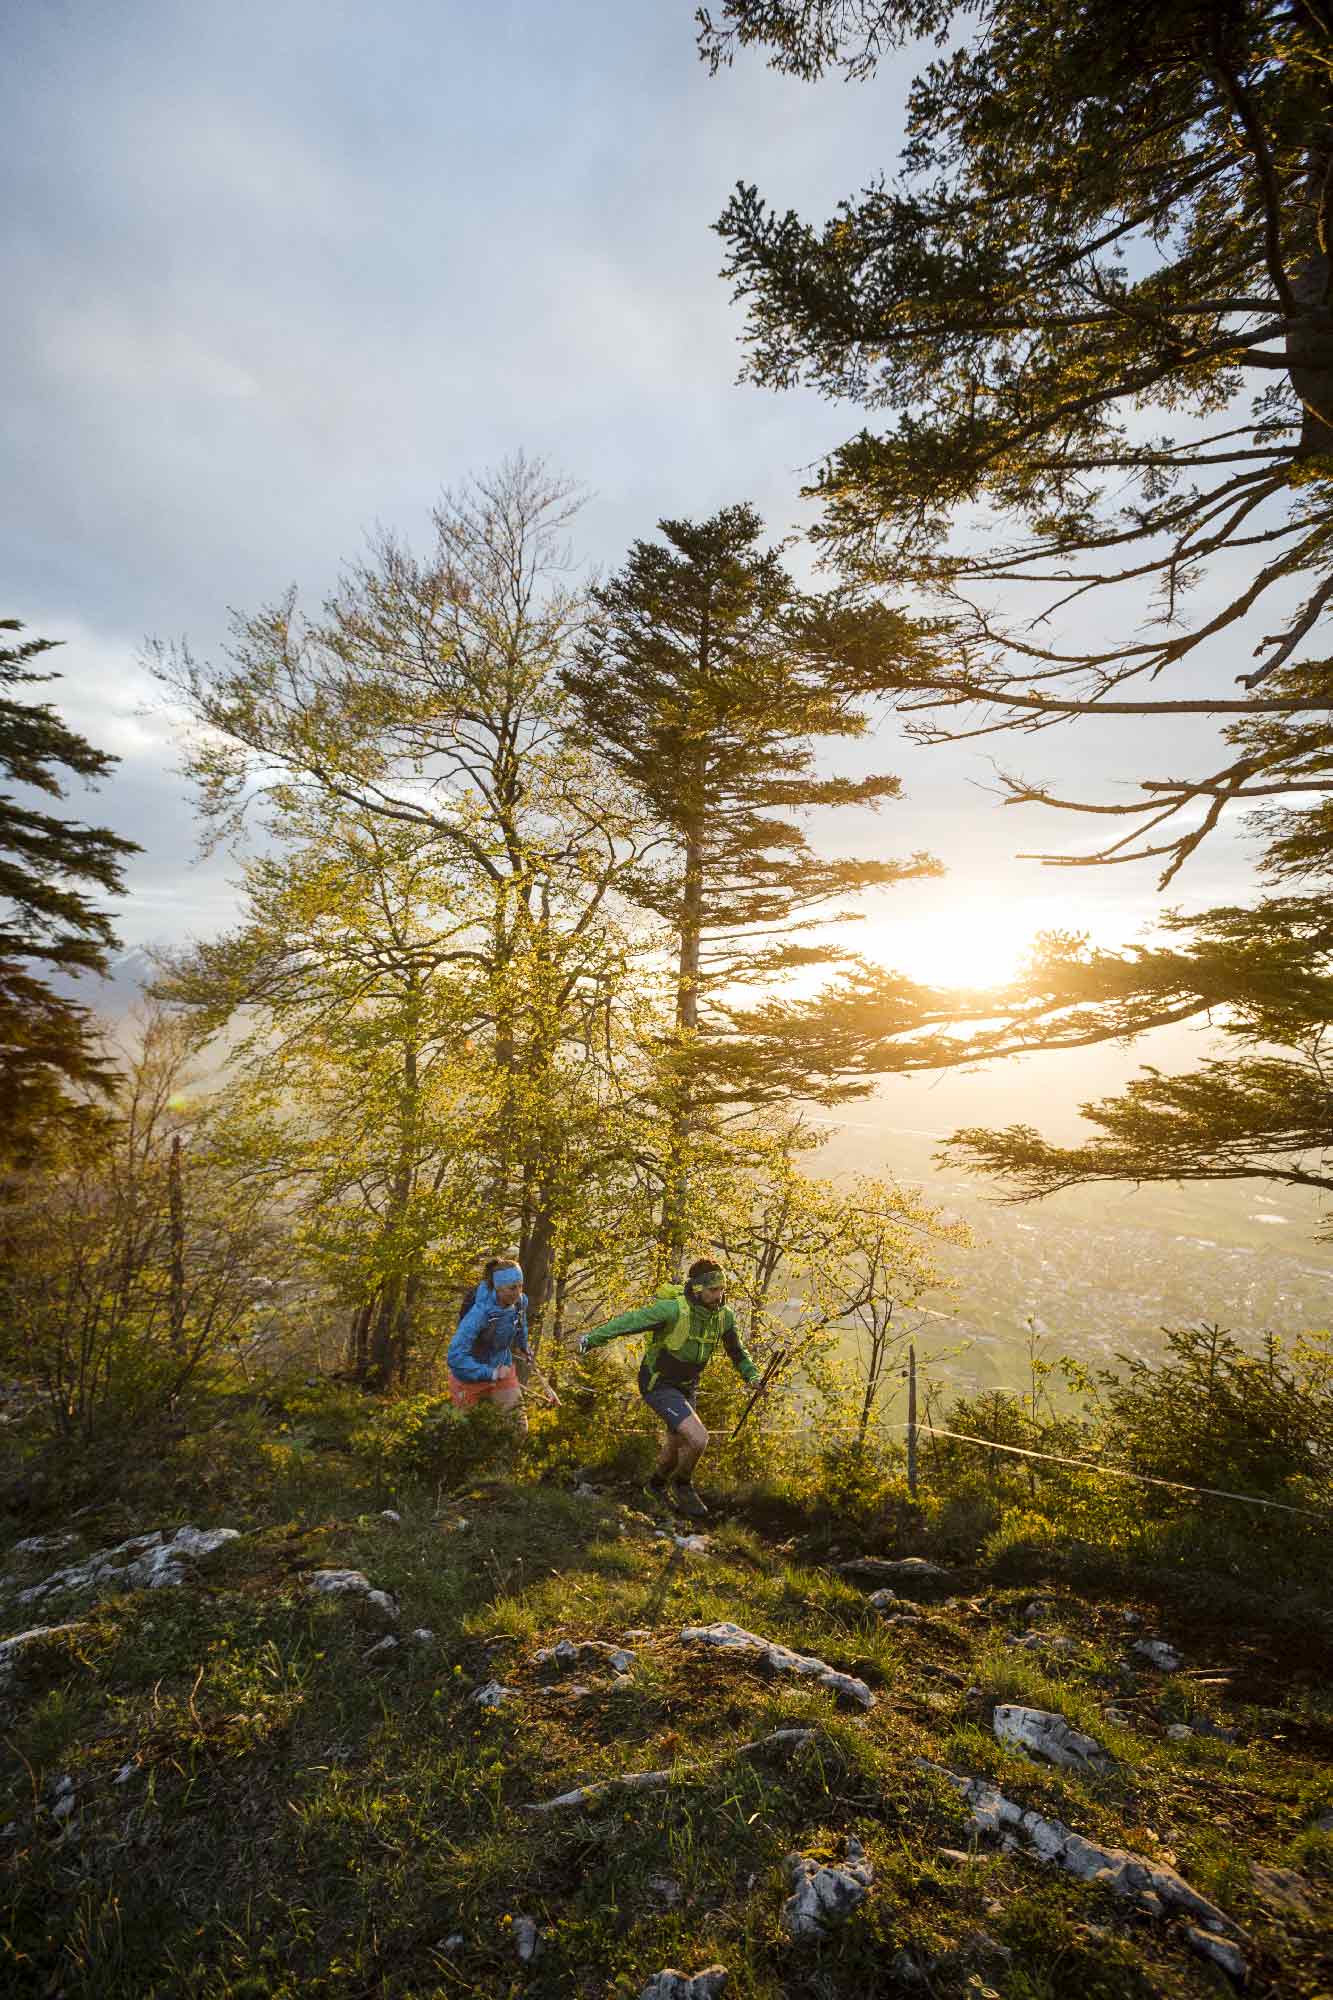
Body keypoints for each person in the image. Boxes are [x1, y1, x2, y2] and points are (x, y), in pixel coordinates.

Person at [577, 1257, 761, 1518]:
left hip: (687, 1386)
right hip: (658, 1383)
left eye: (722, 1289)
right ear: (697, 1289)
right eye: (713, 1290)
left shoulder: (724, 1316)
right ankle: (683, 1484)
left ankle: (654, 1487)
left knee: (673, 1453)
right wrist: (591, 1340)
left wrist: (752, 1376)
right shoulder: (673, 1309)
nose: (719, 1295)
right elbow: (629, 1321)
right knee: (698, 1439)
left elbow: (737, 1352)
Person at [448, 1259, 543, 1433]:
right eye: (512, 1288)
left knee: (519, 1430)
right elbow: (455, 1357)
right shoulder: (480, 1313)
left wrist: (523, 1346)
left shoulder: (520, 1302)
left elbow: (521, 1324)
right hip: (469, 1378)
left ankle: (507, 1460)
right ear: (498, 1288)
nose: (518, 1292)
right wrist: (490, 1373)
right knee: (463, 1437)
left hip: (502, 1369)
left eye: (520, 1286)